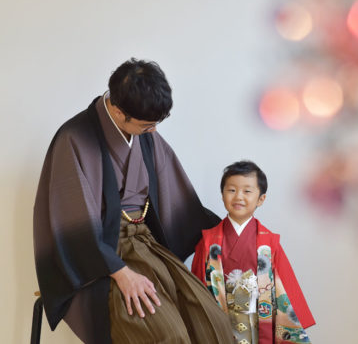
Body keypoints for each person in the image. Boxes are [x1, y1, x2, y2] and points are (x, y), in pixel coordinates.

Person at [33, 58, 233, 344]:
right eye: (146, 125)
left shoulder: (145, 133)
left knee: (212, 321)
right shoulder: (75, 138)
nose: (153, 131)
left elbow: (175, 193)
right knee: (167, 335)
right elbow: (72, 224)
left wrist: (221, 232)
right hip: (99, 256)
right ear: (117, 110)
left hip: (146, 244)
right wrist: (121, 274)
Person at [191, 160, 315, 344]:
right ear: (222, 194)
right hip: (220, 321)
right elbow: (196, 289)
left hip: (260, 319)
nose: (238, 197)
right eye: (231, 190)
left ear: (261, 199)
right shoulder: (208, 241)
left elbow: (285, 287)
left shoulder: (269, 242)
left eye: (247, 191)